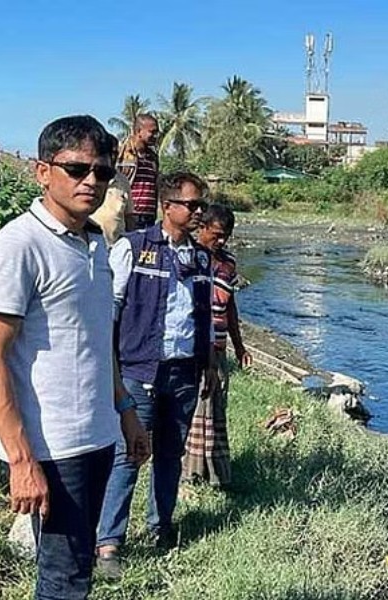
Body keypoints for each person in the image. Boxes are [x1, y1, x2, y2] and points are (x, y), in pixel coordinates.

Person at [0, 115, 150, 600]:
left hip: (97, 436)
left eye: (102, 171)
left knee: (78, 571)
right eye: (75, 169)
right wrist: (20, 458)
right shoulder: (19, 246)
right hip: (52, 446)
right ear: (42, 171)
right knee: (63, 580)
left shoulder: (95, 243)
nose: (90, 181)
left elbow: (98, 340)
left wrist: (126, 410)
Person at [96, 171, 214, 579]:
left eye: (201, 205)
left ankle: (162, 526)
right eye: (191, 204)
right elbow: (109, 310)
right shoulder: (134, 247)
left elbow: (206, 319)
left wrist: (211, 365)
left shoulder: (201, 257)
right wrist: (109, 367)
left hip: (184, 372)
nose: (199, 211)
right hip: (139, 370)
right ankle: (109, 543)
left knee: (170, 455)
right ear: (168, 206)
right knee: (129, 455)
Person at [184, 203, 253, 488]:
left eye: (226, 235)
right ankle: (188, 471)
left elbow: (230, 307)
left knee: (215, 407)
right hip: (193, 347)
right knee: (194, 407)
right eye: (216, 234)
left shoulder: (227, 263)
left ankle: (212, 470)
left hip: (220, 348)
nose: (221, 241)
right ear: (201, 228)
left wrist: (240, 346)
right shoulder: (188, 256)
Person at [90, 133, 135, 246]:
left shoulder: (123, 181)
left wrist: (132, 242)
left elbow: (129, 216)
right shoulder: (88, 178)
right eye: (108, 152)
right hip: (91, 245)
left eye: (115, 152)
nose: (112, 157)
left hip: (116, 247)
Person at [116, 114, 159, 229]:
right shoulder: (123, 153)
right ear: (139, 131)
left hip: (149, 216)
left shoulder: (153, 157)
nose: (156, 136)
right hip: (130, 215)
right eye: (152, 132)